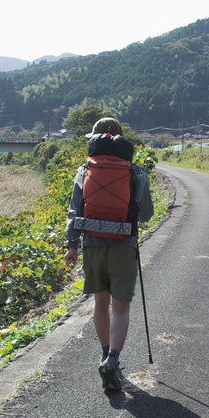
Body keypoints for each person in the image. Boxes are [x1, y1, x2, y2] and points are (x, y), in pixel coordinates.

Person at [64, 117, 154, 393]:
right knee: (121, 307)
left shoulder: (84, 170)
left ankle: (104, 354)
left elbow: (74, 210)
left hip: (92, 244)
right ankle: (113, 360)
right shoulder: (136, 173)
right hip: (123, 246)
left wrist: (72, 245)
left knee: (100, 304)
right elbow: (148, 214)